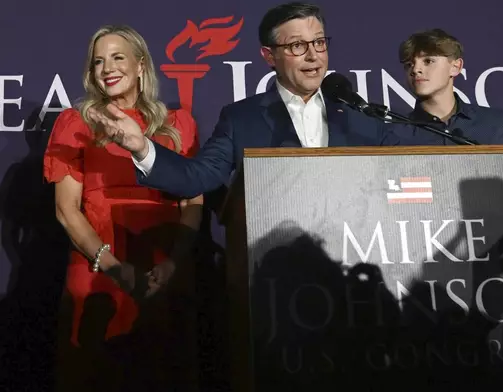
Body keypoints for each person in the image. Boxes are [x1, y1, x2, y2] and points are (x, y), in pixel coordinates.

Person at [88, 2, 400, 199]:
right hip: (277, 278)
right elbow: (197, 178)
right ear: (269, 56)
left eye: (319, 42)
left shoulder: (358, 114)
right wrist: (142, 147)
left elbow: (403, 176)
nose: (313, 55)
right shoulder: (242, 120)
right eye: (297, 45)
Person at [43, 25, 203, 391]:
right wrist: (114, 268)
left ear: (141, 65)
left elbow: (192, 202)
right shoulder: (75, 124)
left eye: (117, 57)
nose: (107, 68)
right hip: (97, 269)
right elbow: (66, 210)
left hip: (164, 270)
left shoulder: (178, 125)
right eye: (98, 61)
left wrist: (173, 262)